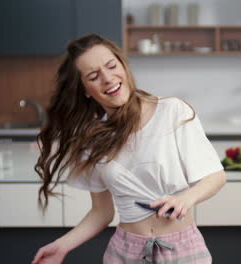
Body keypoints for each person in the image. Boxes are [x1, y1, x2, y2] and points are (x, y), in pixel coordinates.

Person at [31, 34, 226, 264]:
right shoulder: (92, 139)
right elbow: (101, 213)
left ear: (123, 65)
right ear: (85, 89)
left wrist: (186, 199)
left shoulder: (172, 112)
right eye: (94, 76)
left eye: (112, 66)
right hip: (124, 253)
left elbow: (215, 176)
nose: (108, 78)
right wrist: (61, 246)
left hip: (182, 251)